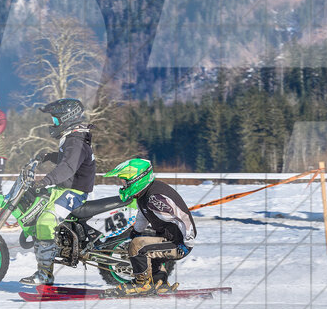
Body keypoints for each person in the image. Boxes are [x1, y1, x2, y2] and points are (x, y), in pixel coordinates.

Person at [19, 98, 96, 286]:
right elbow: (67, 160)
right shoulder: (72, 138)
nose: (53, 124)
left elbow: (68, 168)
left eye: (55, 120)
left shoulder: (75, 140)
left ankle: (45, 275)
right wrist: (47, 156)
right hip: (65, 188)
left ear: (66, 118)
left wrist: (45, 181)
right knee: (37, 212)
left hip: (74, 192)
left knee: (46, 221)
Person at [103, 158, 196, 296]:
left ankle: (142, 284)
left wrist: (187, 242)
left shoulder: (155, 197)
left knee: (138, 246)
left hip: (179, 243)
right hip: (168, 240)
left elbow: (183, 217)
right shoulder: (144, 195)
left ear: (137, 180)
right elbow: (143, 214)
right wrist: (136, 231)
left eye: (125, 182)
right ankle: (159, 284)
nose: (123, 186)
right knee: (147, 249)